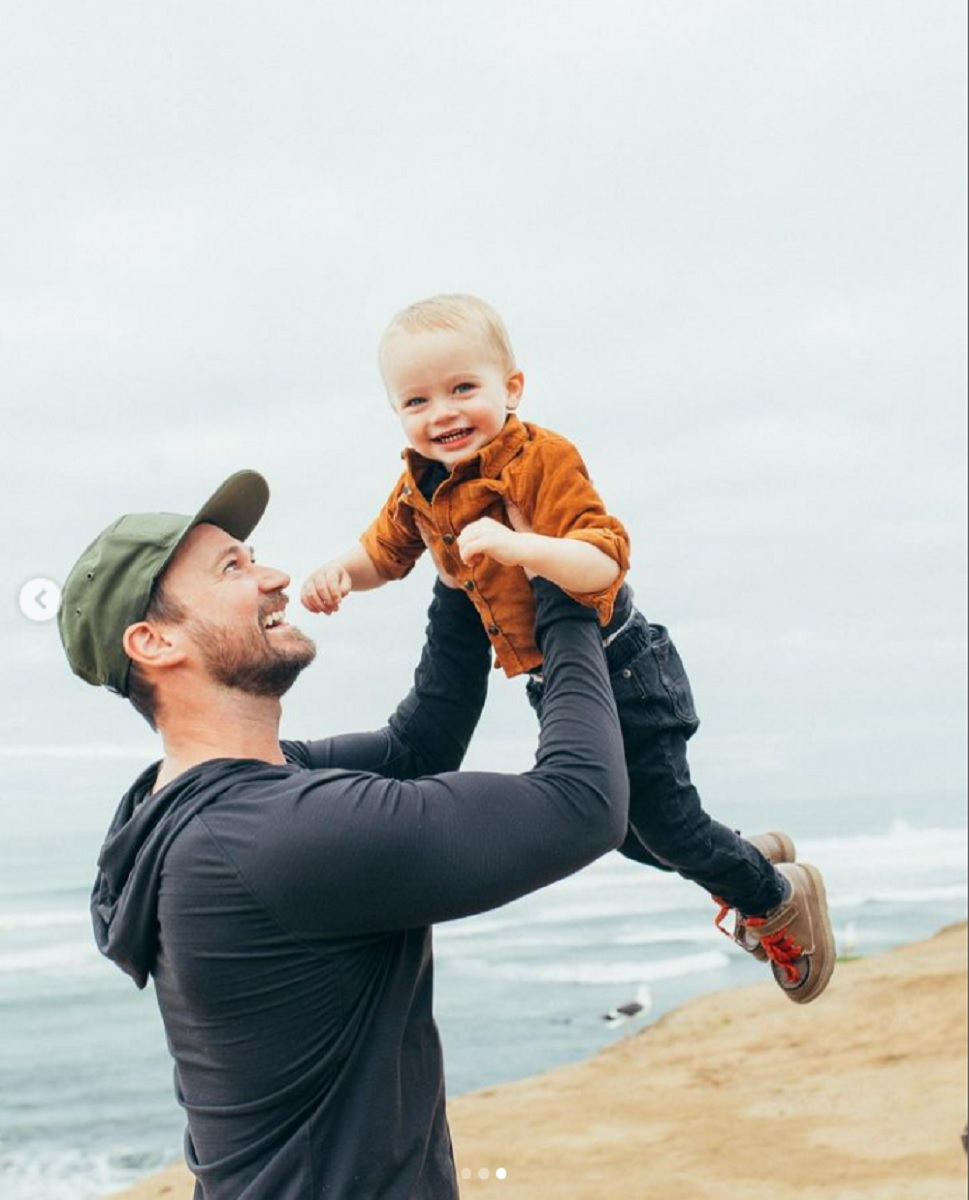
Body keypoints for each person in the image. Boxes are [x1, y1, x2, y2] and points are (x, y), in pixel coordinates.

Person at [57, 469, 630, 1199]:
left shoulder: (188, 801)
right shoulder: (269, 837)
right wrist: (560, 584)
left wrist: (459, 559)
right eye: (233, 568)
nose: (275, 577)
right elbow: (581, 805)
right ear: (154, 641)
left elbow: (416, 746)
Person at [301, 293, 836, 1005]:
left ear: (511, 388)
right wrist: (342, 575)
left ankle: (774, 897)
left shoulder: (539, 459)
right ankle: (739, 858)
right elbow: (383, 555)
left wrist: (523, 547)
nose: (443, 413)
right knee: (614, 828)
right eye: (417, 400)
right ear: (397, 414)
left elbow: (603, 564)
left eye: (464, 388)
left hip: (622, 666)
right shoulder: (418, 486)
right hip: (555, 682)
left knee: (666, 824)